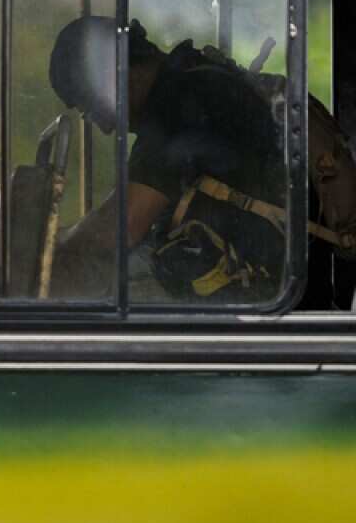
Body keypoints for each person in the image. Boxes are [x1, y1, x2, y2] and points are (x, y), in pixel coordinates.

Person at [47, 16, 355, 307]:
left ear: (113, 75)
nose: (106, 127)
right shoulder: (197, 81)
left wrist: (53, 255)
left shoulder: (178, 106)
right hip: (277, 297)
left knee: (100, 294)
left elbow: (120, 227)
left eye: (95, 107)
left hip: (269, 308)